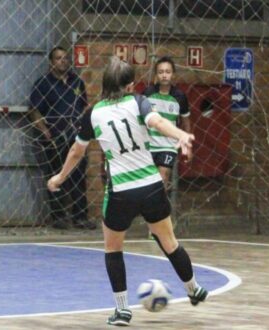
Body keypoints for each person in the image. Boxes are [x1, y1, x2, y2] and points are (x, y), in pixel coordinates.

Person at [47, 58, 208, 326]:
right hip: (151, 187)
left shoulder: (93, 113)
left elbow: (77, 151)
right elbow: (157, 122)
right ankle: (193, 289)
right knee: (169, 243)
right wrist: (180, 134)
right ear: (131, 85)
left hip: (121, 192)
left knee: (113, 249)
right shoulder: (138, 102)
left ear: (104, 84)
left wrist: (60, 177)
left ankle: (122, 310)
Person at [29, 46, 95, 230]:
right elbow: (34, 111)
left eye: (65, 58)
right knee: (56, 176)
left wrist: (83, 126)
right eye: (58, 58)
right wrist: (45, 131)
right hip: (54, 138)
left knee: (78, 177)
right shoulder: (42, 83)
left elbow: (83, 106)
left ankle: (80, 217)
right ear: (51, 62)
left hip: (75, 138)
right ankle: (58, 217)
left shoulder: (77, 82)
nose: (63, 61)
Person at [143, 56, 191, 189]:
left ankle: (159, 209)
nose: (164, 75)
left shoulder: (180, 97)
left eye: (168, 72)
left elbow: (186, 122)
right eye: (161, 72)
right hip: (149, 146)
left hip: (168, 146)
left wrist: (187, 147)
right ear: (156, 75)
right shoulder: (148, 94)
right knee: (147, 184)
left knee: (162, 179)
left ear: (173, 74)